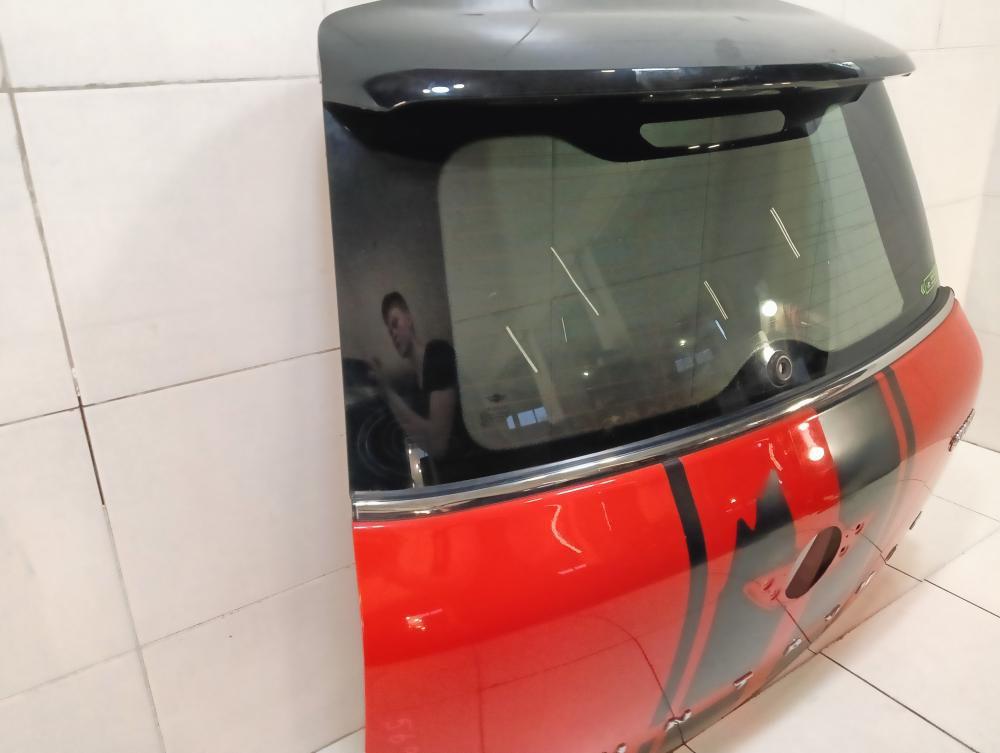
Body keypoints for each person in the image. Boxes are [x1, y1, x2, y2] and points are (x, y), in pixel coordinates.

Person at [371, 292, 464, 462]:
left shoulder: (438, 352)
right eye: (389, 331)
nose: (393, 334)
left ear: (409, 318)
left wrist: (387, 392)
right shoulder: (414, 388)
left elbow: (438, 444)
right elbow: (425, 443)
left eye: (395, 323)